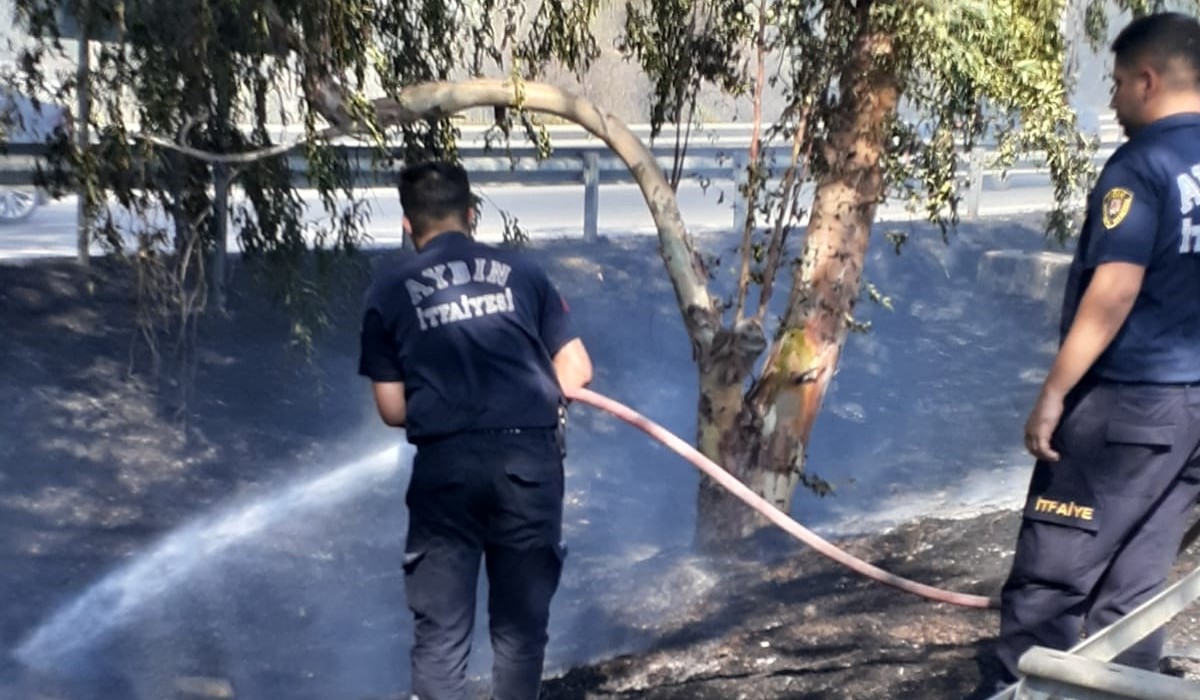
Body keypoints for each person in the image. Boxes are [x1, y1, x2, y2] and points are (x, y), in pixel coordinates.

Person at [991, 11, 1200, 690]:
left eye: (1114, 84)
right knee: (1134, 587)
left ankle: (1024, 692)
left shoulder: (1141, 166)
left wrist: (1053, 394)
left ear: (1148, 80)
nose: (1111, 101)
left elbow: (1113, 290)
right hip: (1191, 417)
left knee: (1050, 584)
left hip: (1126, 408)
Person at [357, 160, 594, 700]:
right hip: (529, 469)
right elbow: (577, 370)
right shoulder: (526, 275)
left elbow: (392, 408)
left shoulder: (388, 290)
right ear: (471, 214)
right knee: (519, 631)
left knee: (440, 636)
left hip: (446, 474)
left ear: (406, 223)